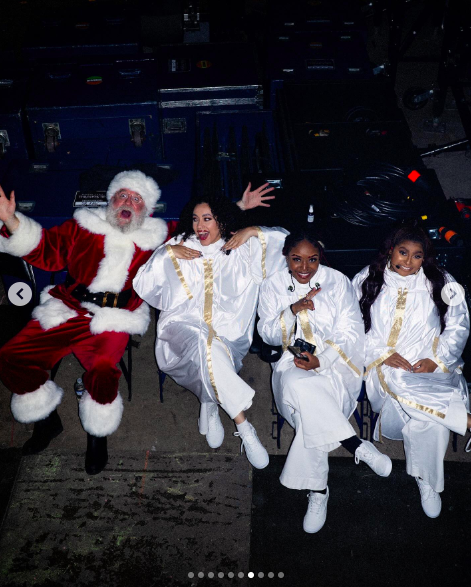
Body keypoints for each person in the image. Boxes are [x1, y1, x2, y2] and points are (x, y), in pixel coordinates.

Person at [0, 170, 169, 474]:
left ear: (147, 210)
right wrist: (12, 221)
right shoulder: (83, 226)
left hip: (113, 321)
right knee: (12, 357)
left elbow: (203, 229)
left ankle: (97, 437)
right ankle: (46, 421)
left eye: (137, 198)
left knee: (104, 373)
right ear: (111, 200)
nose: (128, 201)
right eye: (123, 195)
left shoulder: (158, 236)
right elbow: (46, 249)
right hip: (69, 307)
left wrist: (238, 210)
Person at [133, 194, 287, 469]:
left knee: (210, 349)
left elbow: (286, 242)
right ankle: (244, 425)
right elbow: (143, 282)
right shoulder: (181, 245)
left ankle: (210, 402)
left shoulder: (239, 245)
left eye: (207, 219)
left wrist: (253, 230)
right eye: (195, 219)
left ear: (221, 221)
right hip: (180, 327)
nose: (199, 226)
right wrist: (166, 254)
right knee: (204, 344)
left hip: (229, 334)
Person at [257, 229, 392, 534]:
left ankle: (318, 491)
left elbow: (351, 332)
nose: (304, 268)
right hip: (291, 365)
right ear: (286, 257)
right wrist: (292, 309)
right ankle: (355, 444)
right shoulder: (273, 285)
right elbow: (266, 334)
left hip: (335, 368)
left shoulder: (337, 282)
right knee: (299, 383)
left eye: (312, 260)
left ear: (321, 257)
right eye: (296, 259)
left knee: (309, 415)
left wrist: (324, 359)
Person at [352, 223, 470, 518]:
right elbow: (349, 328)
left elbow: (459, 324)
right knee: (401, 381)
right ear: (391, 250)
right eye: (403, 253)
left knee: (429, 422)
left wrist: (438, 360)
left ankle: (426, 478)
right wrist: (380, 354)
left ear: (425, 258)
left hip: (430, 368)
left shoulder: (441, 281)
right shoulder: (367, 278)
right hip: (383, 369)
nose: (408, 262)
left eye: (417, 256)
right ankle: (465, 419)